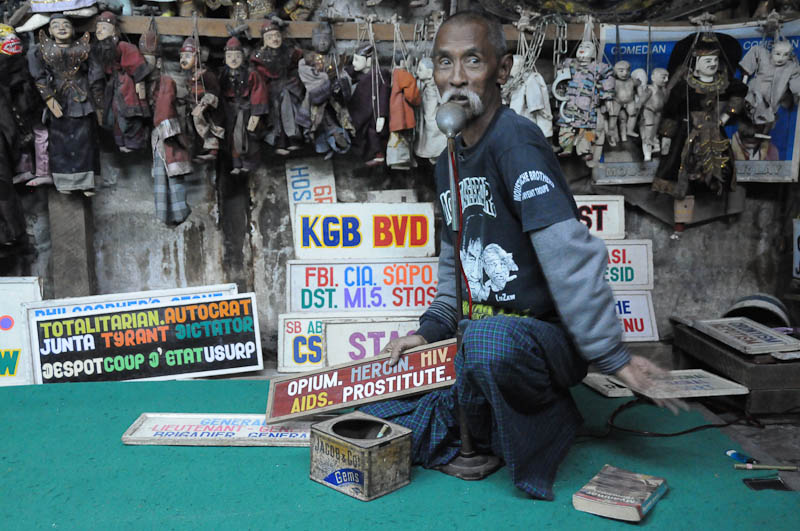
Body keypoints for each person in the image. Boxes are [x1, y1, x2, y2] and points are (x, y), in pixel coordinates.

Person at [360, 10, 686, 501]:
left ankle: (547, 423)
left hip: (540, 341)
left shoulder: (515, 141)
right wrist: (425, 333)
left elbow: (570, 255)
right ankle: (483, 413)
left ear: (503, 70)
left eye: (472, 61)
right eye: (444, 62)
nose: (455, 77)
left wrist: (613, 357)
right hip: (477, 342)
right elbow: (456, 265)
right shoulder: (449, 157)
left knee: (488, 344)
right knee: (377, 407)